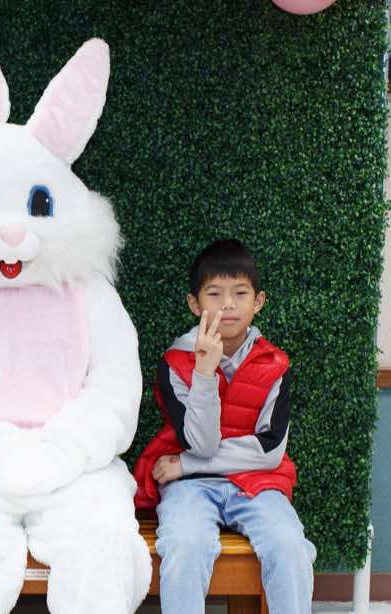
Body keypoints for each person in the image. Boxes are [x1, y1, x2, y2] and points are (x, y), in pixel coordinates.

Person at [133, 239, 316, 614]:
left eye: (240, 293)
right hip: (190, 488)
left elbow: (268, 453)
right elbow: (200, 443)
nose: (228, 304)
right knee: (185, 542)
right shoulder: (175, 364)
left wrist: (186, 464)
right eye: (214, 293)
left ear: (258, 301)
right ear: (194, 303)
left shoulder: (274, 364)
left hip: (256, 484)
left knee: (288, 544)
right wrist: (204, 372)